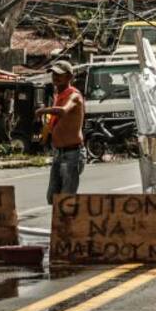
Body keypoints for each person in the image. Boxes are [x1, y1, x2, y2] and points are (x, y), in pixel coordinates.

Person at [37, 60, 86, 204]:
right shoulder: (59, 95)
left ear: (69, 77)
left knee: (65, 200)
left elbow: (64, 111)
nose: (55, 77)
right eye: (54, 74)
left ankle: (68, 218)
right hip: (59, 152)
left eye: (59, 74)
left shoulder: (74, 95)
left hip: (72, 153)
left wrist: (42, 110)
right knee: (52, 197)